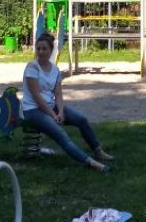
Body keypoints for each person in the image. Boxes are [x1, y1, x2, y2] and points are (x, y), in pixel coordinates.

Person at [21, 32, 112, 171]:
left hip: (50, 107)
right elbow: (37, 97)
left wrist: (61, 112)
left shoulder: (55, 70)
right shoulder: (32, 68)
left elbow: (58, 94)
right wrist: (53, 115)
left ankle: (98, 150)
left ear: (51, 51)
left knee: (81, 119)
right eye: (38, 48)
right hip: (33, 110)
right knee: (60, 134)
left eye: (44, 48)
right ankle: (90, 162)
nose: (40, 52)